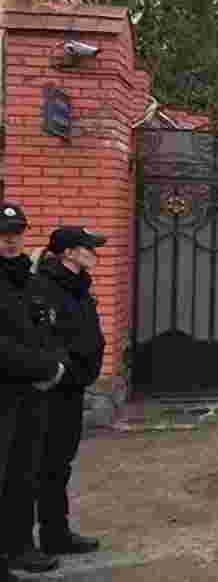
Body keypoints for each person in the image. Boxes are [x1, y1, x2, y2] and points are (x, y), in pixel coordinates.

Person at [19, 228, 107, 558]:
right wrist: (61, 370)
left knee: (59, 465)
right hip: (52, 388)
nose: (94, 253)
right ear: (68, 252)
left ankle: (56, 533)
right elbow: (46, 338)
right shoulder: (45, 286)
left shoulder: (78, 284)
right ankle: (22, 542)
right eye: (88, 248)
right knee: (38, 465)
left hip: (72, 387)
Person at [0, 203, 67, 580]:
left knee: (24, 473)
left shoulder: (31, 279)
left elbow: (50, 330)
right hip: (4, 392)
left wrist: (55, 366)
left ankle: (20, 546)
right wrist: (43, 368)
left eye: (16, 233)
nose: (10, 240)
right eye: (3, 234)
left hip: (33, 394)